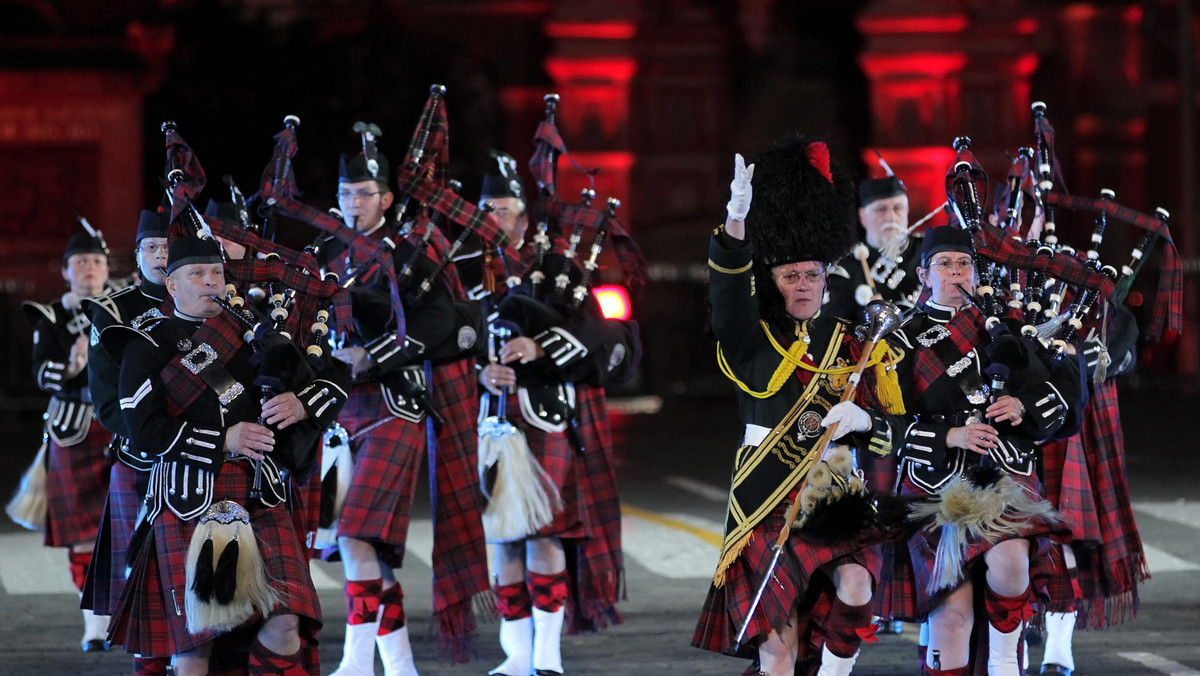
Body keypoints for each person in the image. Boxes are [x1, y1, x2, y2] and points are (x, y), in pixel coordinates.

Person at [691, 137, 908, 676]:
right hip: (767, 493)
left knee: (857, 585)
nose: (805, 285)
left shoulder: (850, 339)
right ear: (773, 281)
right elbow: (726, 297)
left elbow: (889, 426)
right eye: (792, 276)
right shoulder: (752, 336)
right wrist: (735, 226)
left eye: (813, 274)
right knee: (779, 644)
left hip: (834, 490)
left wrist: (864, 422)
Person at [106, 234, 349, 675]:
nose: (209, 282)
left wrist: (301, 403)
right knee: (197, 643)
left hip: (260, 494)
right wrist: (223, 438)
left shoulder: (259, 334)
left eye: (216, 273)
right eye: (196, 274)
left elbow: (332, 378)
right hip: (186, 497)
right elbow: (144, 430)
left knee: (285, 619)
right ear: (172, 285)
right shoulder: (145, 343)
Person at [879, 225, 1084, 676]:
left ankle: (1006, 664)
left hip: (1003, 479)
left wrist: (1023, 404)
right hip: (934, 484)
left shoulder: (1008, 328)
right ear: (924, 274)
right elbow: (878, 425)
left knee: (1012, 565)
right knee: (951, 616)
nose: (956, 272)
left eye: (964, 263)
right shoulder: (900, 338)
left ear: (976, 271)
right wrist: (948, 437)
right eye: (944, 264)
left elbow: (1064, 395)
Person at [321, 138, 489, 676]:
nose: (353, 203)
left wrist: (376, 352)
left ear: (387, 198)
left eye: (365, 194)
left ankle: (354, 661)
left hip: (398, 404)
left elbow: (448, 320)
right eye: (346, 193)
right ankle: (399, 665)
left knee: (354, 531)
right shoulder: (326, 251)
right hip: (340, 411)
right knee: (360, 546)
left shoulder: (413, 247)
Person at [472, 152, 640, 676]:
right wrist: (481, 370)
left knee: (546, 532)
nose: (492, 217)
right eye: (486, 208)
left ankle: (547, 654)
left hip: (548, 412)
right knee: (504, 537)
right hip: (493, 417)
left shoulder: (560, 262)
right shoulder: (462, 267)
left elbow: (597, 329)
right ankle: (515, 653)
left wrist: (539, 349)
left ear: (523, 213)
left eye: (501, 208)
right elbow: (449, 335)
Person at [81, 207, 173, 674]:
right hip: (140, 460)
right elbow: (107, 401)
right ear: (135, 256)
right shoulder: (112, 313)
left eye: (167, 248)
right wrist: (162, 439)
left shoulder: (207, 303)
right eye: (150, 248)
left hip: (203, 464)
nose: (160, 256)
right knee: (144, 587)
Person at [20, 225, 116, 652]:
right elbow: (43, 375)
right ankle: (94, 619)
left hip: (123, 426)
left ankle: (127, 607)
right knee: (83, 531)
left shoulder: (125, 307)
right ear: (65, 272)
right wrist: (75, 365)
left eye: (96, 261)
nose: (89, 269)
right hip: (73, 429)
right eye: (80, 262)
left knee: (132, 522)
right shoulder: (50, 316)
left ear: (107, 268)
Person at [824, 174, 924, 325]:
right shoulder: (846, 267)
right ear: (863, 216)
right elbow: (834, 328)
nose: (891, 217)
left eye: (898, 208)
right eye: (881, 209)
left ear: (907, 210)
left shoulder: (928, 252)